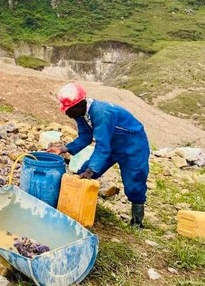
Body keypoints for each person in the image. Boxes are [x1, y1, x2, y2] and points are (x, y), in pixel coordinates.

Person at [47, 82, 150, 227]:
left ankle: (137, 222)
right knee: (83, 173)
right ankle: (78, 209)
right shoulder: (81, 114)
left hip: (132, 145)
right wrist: (63, 149)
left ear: (79, 104)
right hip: (110, 144)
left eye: (68, 109)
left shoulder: (101, 113)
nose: (66, 113)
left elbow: (102, 147)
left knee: (134, 182)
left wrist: (92, 170)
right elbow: (85, 137)